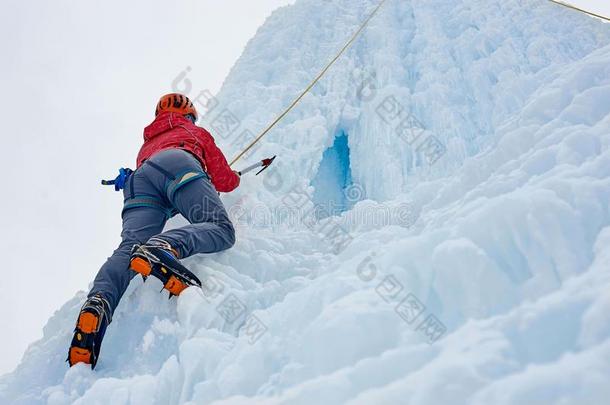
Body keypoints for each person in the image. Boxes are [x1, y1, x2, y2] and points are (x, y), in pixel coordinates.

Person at [68, 93, 240, 368]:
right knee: (221, 229)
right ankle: (162, 247)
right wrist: (235, 178)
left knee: (128, 248)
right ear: (189, 114)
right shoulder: (193, 130)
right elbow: (224, 179)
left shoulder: (146, 144)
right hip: (178, 163)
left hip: (139, 179)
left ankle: (98, 302)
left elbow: (162, 191)